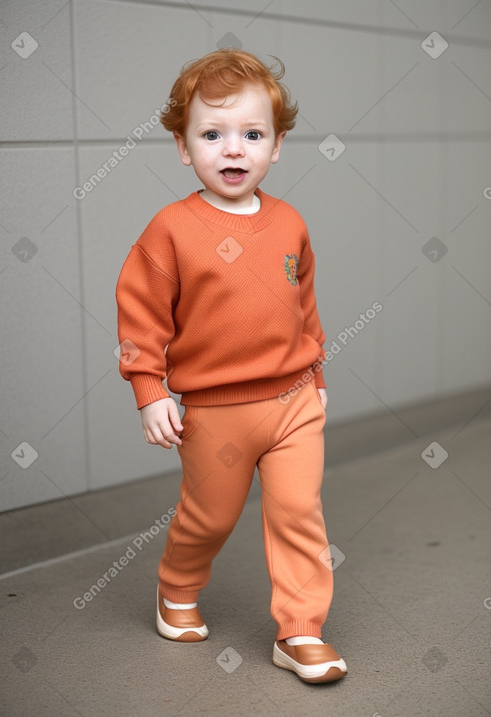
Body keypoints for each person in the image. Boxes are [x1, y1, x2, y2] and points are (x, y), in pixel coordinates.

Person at [115, 48, 347, 684]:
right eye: (212, 134)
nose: (233, 149)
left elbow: (306, 310)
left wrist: (317, 379)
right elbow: (140, 315)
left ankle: (300, 632)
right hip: (216, 413)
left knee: (299, 512)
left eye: (252, 134)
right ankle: (176, 586)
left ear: (277, 146)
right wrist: (148, 387)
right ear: (184, 148)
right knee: (209, 516)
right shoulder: (171, 229)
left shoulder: (290, 223)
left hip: (294, 402)